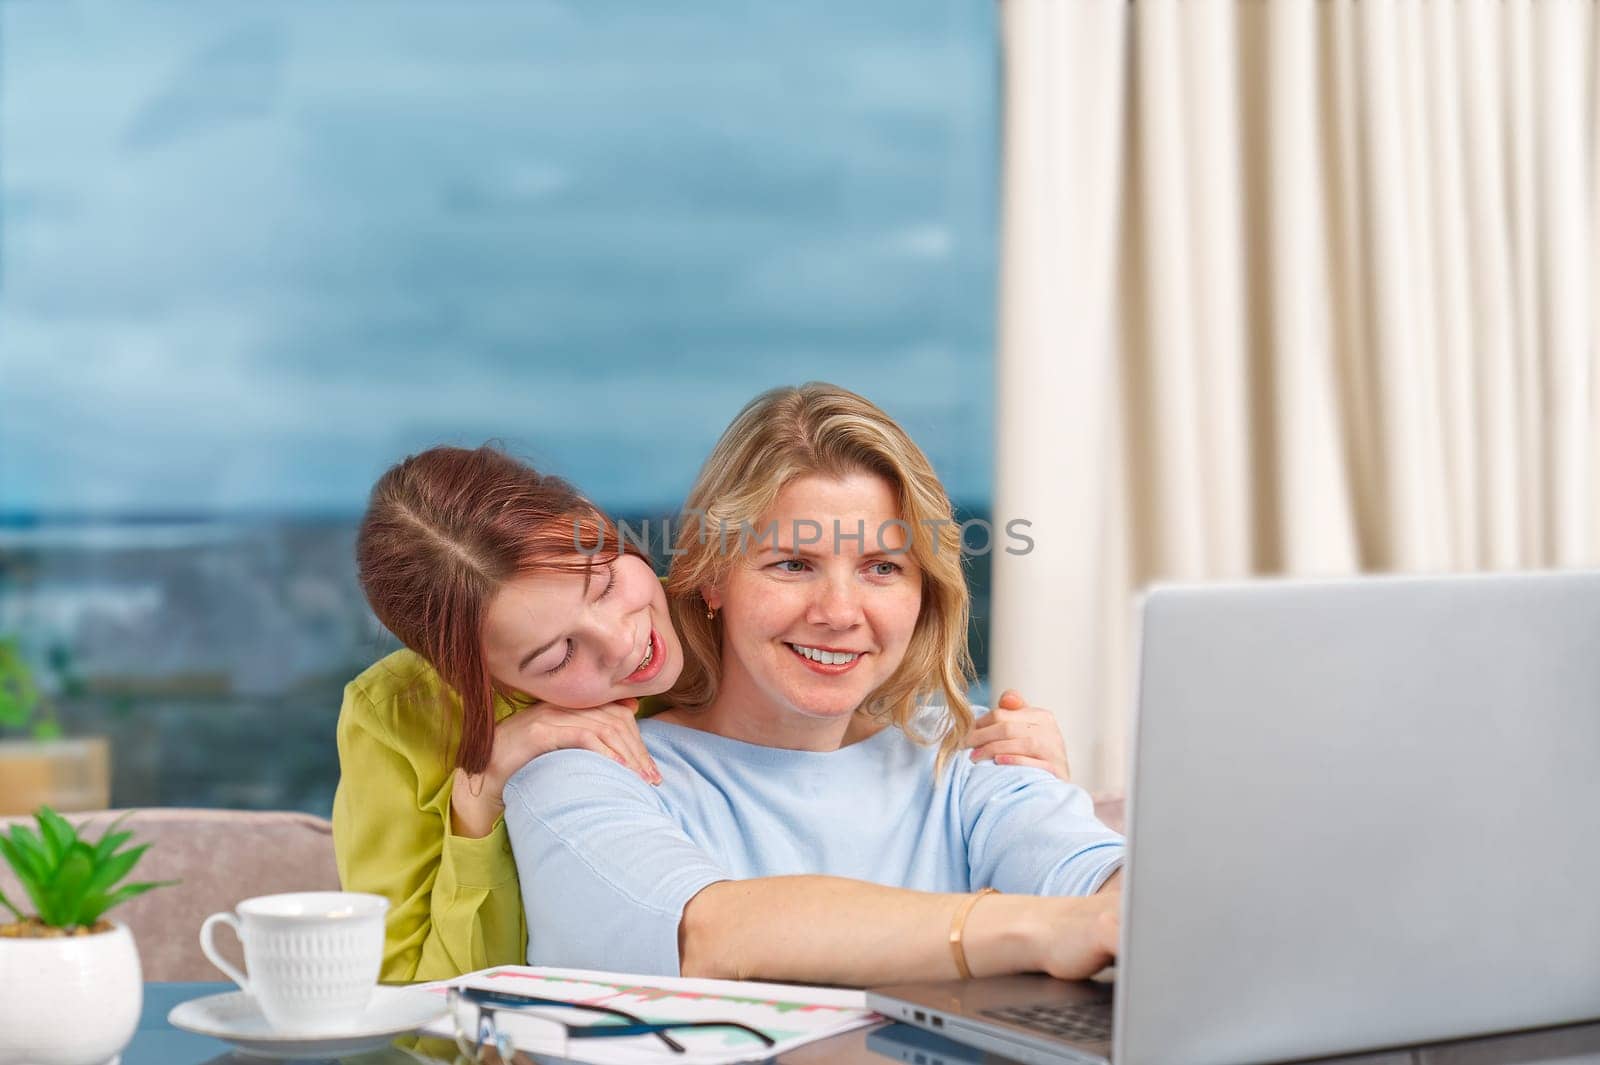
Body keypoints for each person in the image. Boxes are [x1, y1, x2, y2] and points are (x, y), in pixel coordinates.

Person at [334, 443, 1075, 982]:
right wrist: (480, 797)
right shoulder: (402, 717)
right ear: (475, 673)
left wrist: (1018, 762)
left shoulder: (722, 605)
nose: (626, 644)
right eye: (558, 658)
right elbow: (408, 1001)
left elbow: (853, 677)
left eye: (604, 585)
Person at [502, 384, 1124, 987]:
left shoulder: (972, 755)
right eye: (793, 565)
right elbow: (712, 935)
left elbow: (1096, 881)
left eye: (882, 568)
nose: (839, 612)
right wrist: (1037, 928)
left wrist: (1117, 896)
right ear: (714, 579)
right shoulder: (586, 776)